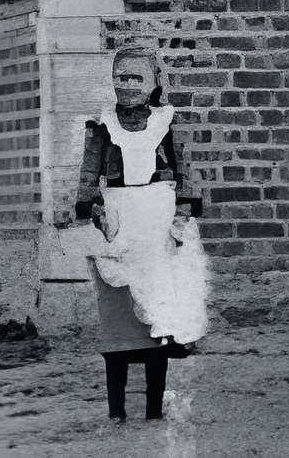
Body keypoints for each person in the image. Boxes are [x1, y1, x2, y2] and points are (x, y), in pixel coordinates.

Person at [70, 46, 209, 423]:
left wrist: (181, 214)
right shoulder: (100, 127)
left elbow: (187, 175)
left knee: (157, 312)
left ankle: (153, 404)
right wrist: (95, 209)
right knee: (119, 309)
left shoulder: (168, 123)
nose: (128, 85)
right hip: (119, 221)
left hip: (158, 220)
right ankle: (117, 407)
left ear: (153, 83)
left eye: (137, 78)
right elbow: (86, 181)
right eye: (121, 77)